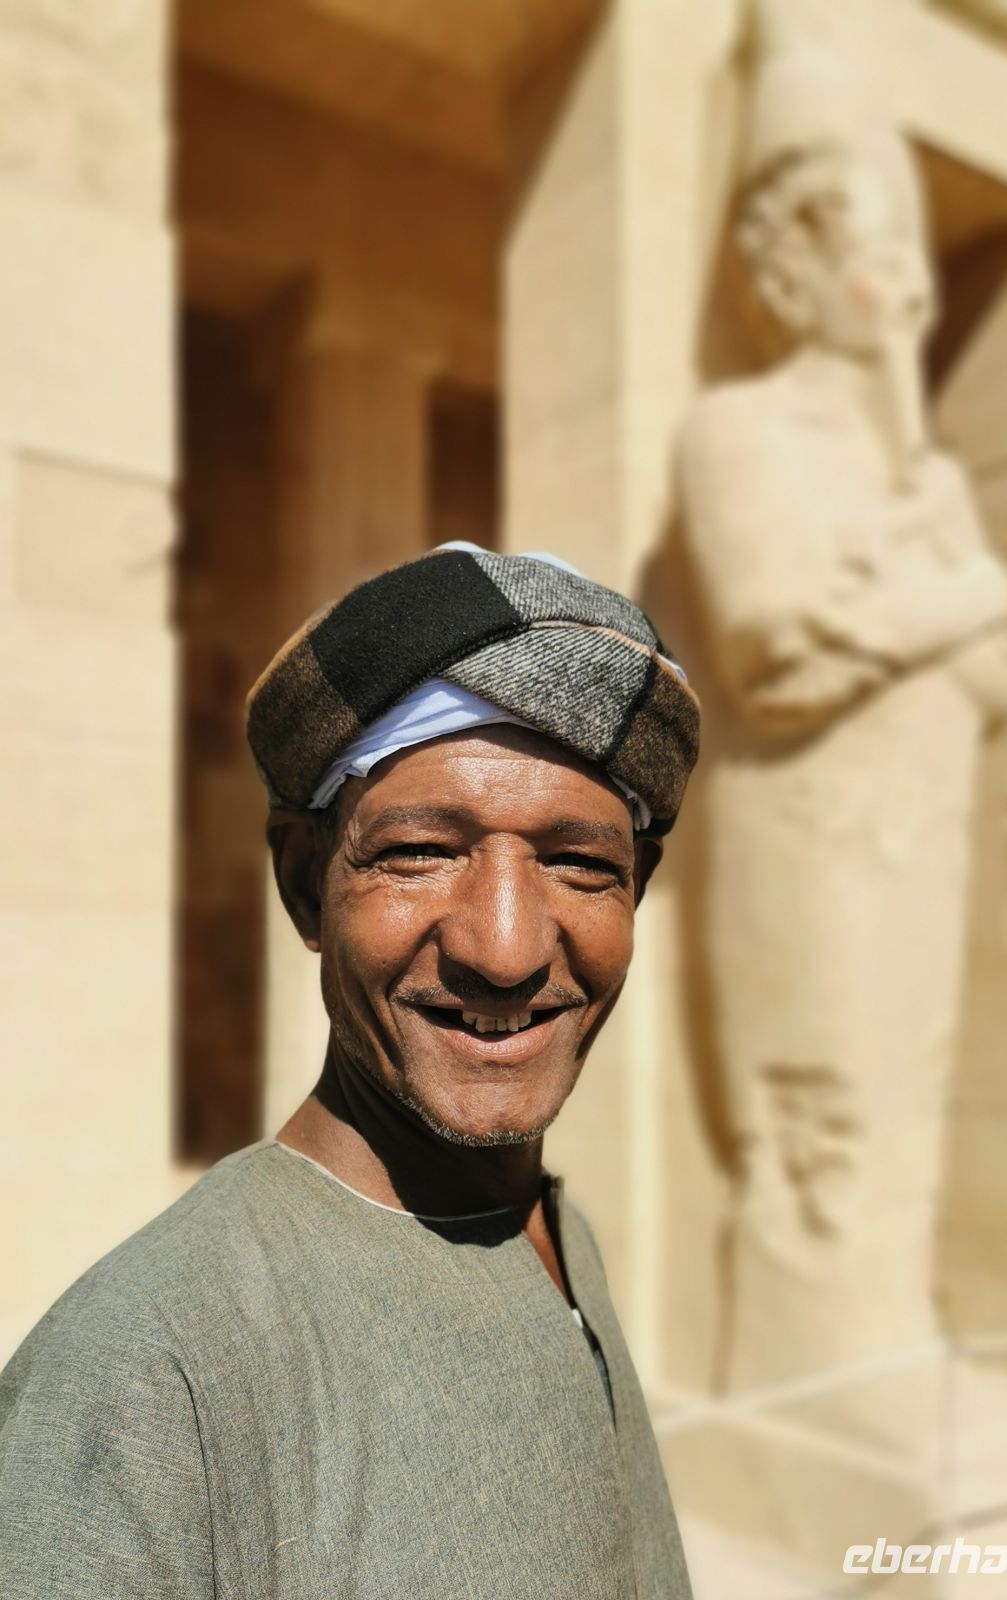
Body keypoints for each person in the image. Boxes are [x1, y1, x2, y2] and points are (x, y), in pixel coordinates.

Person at [0, 541, 700, 1600]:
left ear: (635, 891)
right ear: (303, 882)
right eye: (420, 852)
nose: (505, 947)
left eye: (578, 863)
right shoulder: (149, 1371)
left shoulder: (553, 1233)